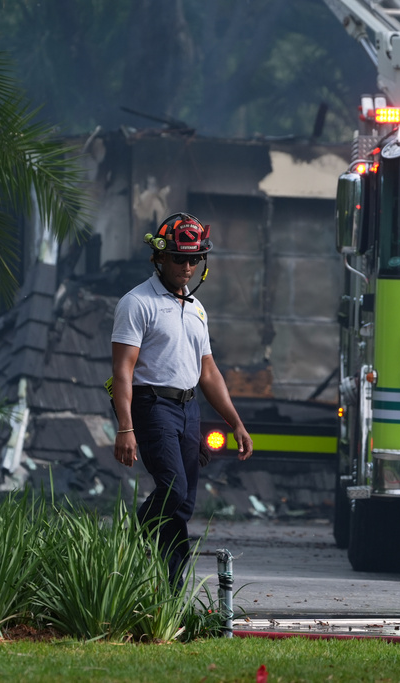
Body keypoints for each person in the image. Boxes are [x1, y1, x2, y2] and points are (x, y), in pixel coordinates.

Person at [111, 212, 253, 587]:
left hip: (189, 409)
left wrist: (235, 423)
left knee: (184, 503)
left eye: (195, 259)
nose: (187, 266)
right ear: (159, 258)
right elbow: (123, 371)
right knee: (172, 487)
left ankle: (170, 588)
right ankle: (133, 538)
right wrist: (125, 428)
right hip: (152, 405)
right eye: (179, 257)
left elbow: (208, 372)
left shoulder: (196, 308)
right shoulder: (136, 303)